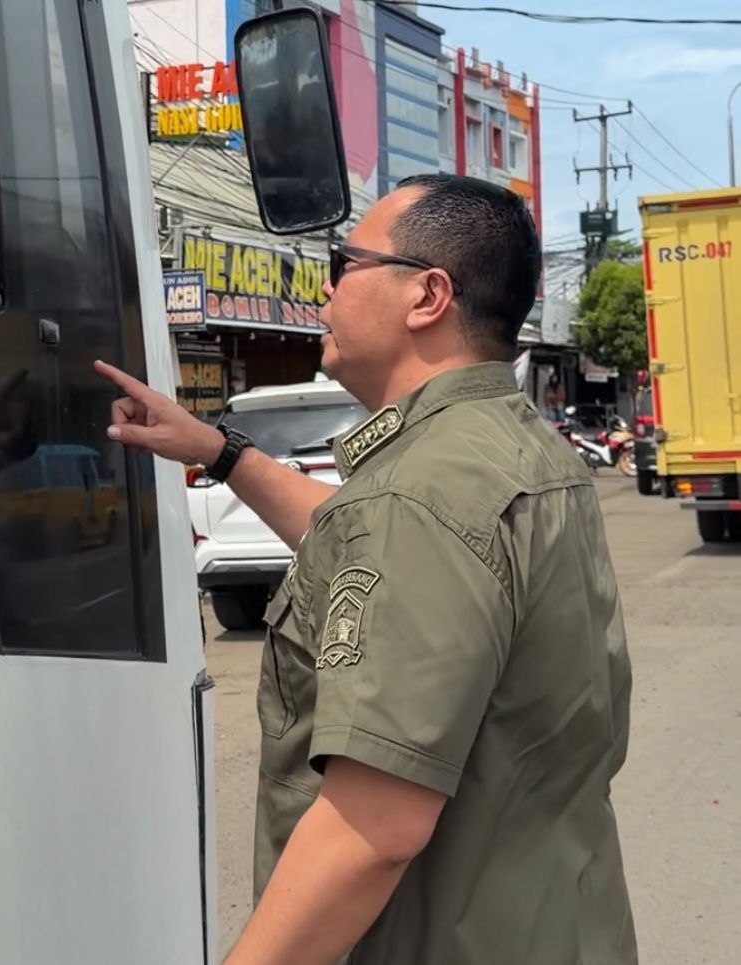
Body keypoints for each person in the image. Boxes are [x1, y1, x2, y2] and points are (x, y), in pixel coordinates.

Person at [96, 174, 636, 965]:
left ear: (427, 295)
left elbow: (372, 830)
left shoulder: (420, 494)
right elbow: (356, 536)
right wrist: (217, 449)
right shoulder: (508, 449)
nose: (325, 287)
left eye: (345, 263)